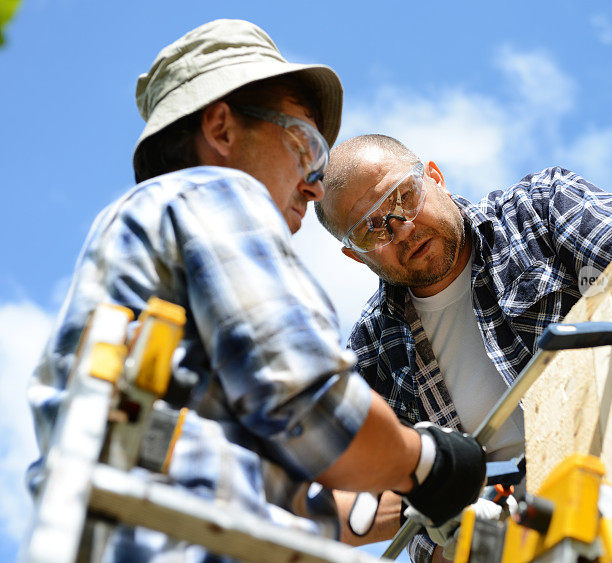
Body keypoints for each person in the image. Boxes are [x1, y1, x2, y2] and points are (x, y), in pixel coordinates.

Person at [26, 21, 485, 560]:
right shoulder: (213, 193)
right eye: (305, 144)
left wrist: (405, 498)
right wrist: (430, 461)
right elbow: (311, 403)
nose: (314, 186)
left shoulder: (151, 254)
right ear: (221, 129)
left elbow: (278, 490)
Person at [315, 134, 612, 561]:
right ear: (354, 255)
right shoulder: (372, 353)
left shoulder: (541, 209)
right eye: (373, 228)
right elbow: (339, 505)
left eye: (404, 197)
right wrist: (436, 511)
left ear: (435, 177)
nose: (402, 228)